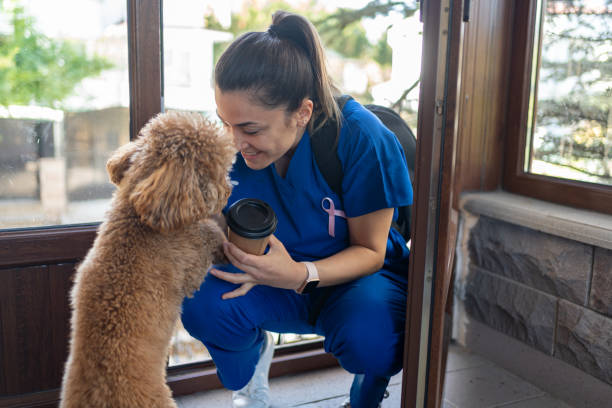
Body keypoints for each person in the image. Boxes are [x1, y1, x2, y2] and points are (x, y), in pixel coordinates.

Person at [181, 10, 413, 408]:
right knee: (201, 304)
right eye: (225, 123)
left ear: (302, 112)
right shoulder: (228, 141)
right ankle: (251, 368)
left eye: (251, 130)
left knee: (372, 340)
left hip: (356, 282)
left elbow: (372, 252)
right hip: (266, 278)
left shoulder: (361, 137)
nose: (235, 142)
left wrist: (299, 274)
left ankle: (367, 392)